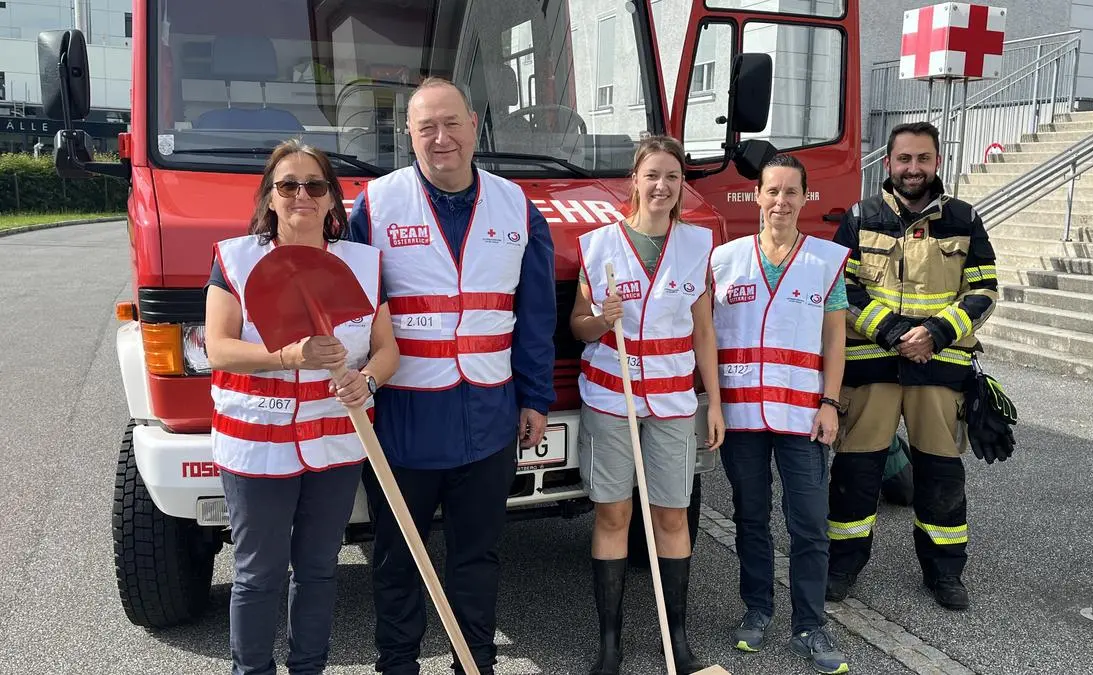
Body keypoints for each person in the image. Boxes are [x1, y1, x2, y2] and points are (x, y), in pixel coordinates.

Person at [346, 77, 556, 675]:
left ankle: (476, 664)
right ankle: (398, 665)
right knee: (397, 560)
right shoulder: (377, 206)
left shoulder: (517, 207)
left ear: (474, 124)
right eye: (426, 127)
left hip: (489, 421)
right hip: (405, 421)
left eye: (452, 123)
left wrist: (536, 397)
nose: (442, 139)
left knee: (478, 558)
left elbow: (534, 315)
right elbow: (356, 311)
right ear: (408, 136)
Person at [204, 140, 400, 675]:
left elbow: (388, 350)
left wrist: (368, 381)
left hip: (334, 445)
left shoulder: (362, 264)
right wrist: (290, 354)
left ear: (334, 201)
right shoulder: (236, 259)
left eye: (315, 185)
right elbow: (218, 348)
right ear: (269, 198)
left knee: (317, 570)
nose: (301, 195)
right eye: (288, 185)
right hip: (255, 445)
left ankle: (308, 668)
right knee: (258, 573)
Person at [826, 121, 999, 610]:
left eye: (923, 159)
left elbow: (984, 291)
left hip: (940, 370)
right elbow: (842, 290)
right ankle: (842, 567)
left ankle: (944, 574)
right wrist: (897, 334)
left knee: (941, 477)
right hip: (871, 371)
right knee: (855, 476)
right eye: (904, 159)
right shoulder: (860, 216)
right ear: (888, 164)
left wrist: (936, 334)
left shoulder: (964, 219)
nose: (913, 168)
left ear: (937, 162)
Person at [570, 135, 724, 675]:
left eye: (673, 177)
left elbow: (704, 331)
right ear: (634, 180)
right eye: (652, 175)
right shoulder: (599, 245)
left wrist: (715, 402)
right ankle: (609, 644)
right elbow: (578, 326)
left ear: (682, 185)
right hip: (612, 398)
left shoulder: (696, 245)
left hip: (675, 399)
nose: (662, 186)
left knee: (672, 515)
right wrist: (600, 318)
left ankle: (676, 641)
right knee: (614, 513)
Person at [709, 154, 850, 675]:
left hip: (803, 417)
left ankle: (810, 624)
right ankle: (757, 608)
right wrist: (714, 407)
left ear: (806, 198)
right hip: (742, 417)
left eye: (792, 192)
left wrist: (830, 403)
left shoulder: (825, 261)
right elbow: (706, 336)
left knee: (810, 524)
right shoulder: (723, 261)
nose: (781, 202)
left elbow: (835, 342)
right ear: (757, 196)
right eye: (772, 191)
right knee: (751, 518)